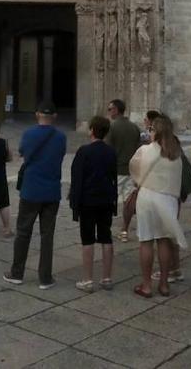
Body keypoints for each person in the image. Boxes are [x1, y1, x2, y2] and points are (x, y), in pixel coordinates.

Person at [5, 103, 66, 289]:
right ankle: (45, 278)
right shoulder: (61, 137)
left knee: (23, 232)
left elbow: (23, 153)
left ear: (37, 114)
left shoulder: (29, 134)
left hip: (31, 189)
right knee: (47, 235)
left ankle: (17, 273)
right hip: (52, 190)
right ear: (54, 116)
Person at [129, 115, 187, 297]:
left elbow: (134, 170)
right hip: (168, 200)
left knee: (146, 241)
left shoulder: (145, 150)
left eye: (151, 129)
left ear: (155, 131)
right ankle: (163, 284)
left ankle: (146, 285)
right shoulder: (176, 155)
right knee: (163, 241)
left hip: (147, 197)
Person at [69, 115, 117, 292]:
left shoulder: (84, 151)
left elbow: (77, 178)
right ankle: (106, 278)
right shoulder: (111, 151)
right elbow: (113, 176)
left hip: (88, 200)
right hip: (105, 199)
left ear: (92, 130)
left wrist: (75, 202)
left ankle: (88, 280)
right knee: (106, 236)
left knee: (87, 239)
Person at [104, 99, 141, 242]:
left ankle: (104, 228)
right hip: (131, 170)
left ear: (116, 110)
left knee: (108, 200)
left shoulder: (112, 127)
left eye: (110, 109)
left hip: (116, 169)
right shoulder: (134, 127)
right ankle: (124, 230)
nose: (108, 112)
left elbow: (107, 150)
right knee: (128, 201)